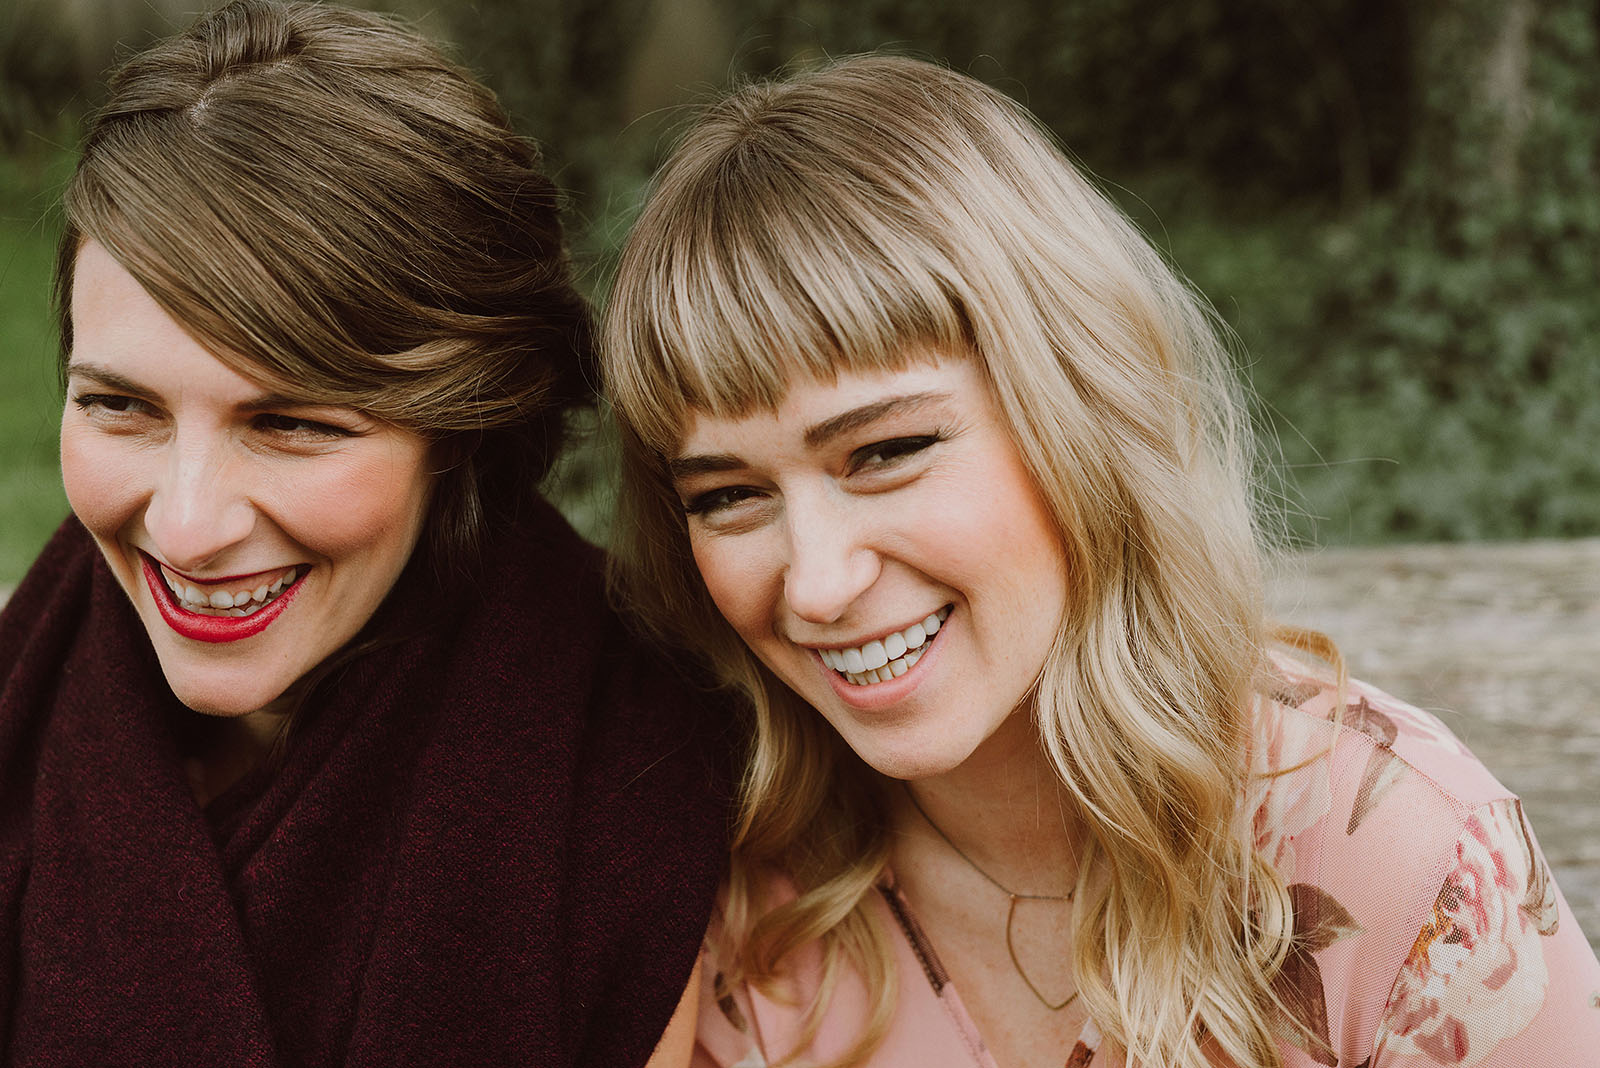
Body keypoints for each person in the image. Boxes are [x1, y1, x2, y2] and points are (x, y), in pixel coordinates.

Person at [600, 55, 1600, 1068]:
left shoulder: (1396, 859)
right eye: (727, 497)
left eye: (886, 453)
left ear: (1076, 412)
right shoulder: (724, 897)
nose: (815, 583)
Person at [0, 2, 726, 1064]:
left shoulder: (637, 773)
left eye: (292, 424)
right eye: (121, 406)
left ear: (464, 428)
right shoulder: (29, 687)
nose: (189, 526)